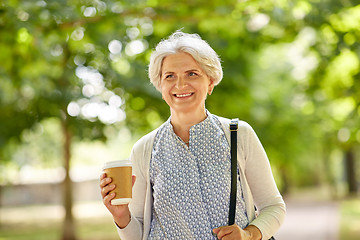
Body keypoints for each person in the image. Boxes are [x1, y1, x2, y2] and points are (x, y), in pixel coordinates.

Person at [100, 30, 286, 240]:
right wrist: (121, 215)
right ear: (161, 86)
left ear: (210, 81)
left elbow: (273, 207)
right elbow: (138, 234)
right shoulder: (144, 149)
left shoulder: (239, 135)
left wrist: (248, 235)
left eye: (192, 74)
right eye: (170, 76)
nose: (180, 85)